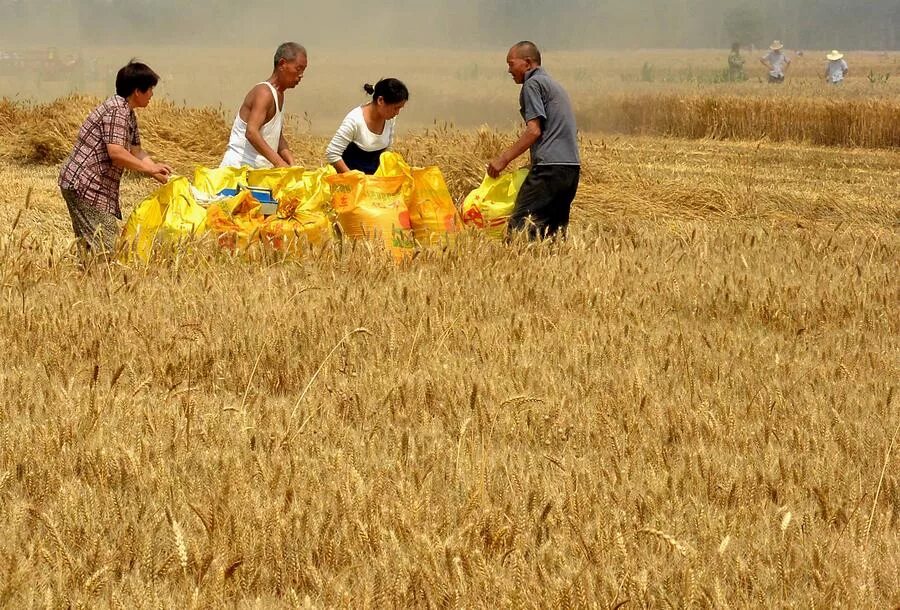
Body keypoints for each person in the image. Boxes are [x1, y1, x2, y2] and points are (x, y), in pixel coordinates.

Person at [58, 60, 172, 255]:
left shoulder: (128, 113)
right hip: (85, 185)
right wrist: (150, 169)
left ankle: (88, 281)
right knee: (106, 249)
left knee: (92, 249)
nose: (152, 94)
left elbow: (136, 150)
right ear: (137, 91)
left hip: (90, 185)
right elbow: (117, 153)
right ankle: (99, 282)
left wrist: (160, 174)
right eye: (150, 89)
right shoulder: (117, 111)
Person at [487, 41, 580, 240]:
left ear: (528, 63)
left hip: (550, 169)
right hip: (570, 169)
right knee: (552, 234)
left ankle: (514, 268)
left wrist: (503, 159)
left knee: (520, 228)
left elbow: (534, 131)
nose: (509, 70)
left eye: (511, 64)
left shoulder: (532, 84)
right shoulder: (553, 84)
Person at [220, 42, 307, 169]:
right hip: (238, 171)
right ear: (282, 64)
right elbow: (251, 132)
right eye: (298, 69)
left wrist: (291, 163)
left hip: (258, 173)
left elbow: (276, 136)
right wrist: (279, 163)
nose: (301, 75)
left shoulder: (279, 95)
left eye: (303, 70)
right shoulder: (264, 93)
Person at [326, 78, 408, 175]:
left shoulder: (390, 119)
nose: (397, 113)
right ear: (380, 100)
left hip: (374, 181)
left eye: (400, 108)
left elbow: (387, 152)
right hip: (351, 182)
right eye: (395, 108)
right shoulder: (354, 120)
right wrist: (354, 178)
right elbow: (332, 153)